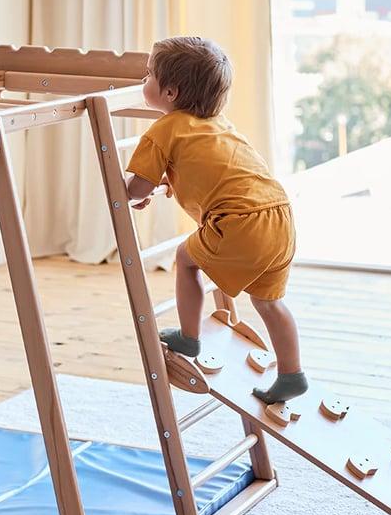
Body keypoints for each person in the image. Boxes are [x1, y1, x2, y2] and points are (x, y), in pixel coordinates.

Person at [125, 36, 307, 404]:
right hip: (279, 215)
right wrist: (163, 183)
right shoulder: (218, 125)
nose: (143, 81)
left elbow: (132, 190)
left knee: (184, 260)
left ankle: (189, 338)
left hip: (240, 221)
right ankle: (292, 373)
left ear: (170, 92)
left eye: (148, 76)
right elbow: (211, 172)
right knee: (269, 302)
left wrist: (131, 188)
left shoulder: (164, 129)